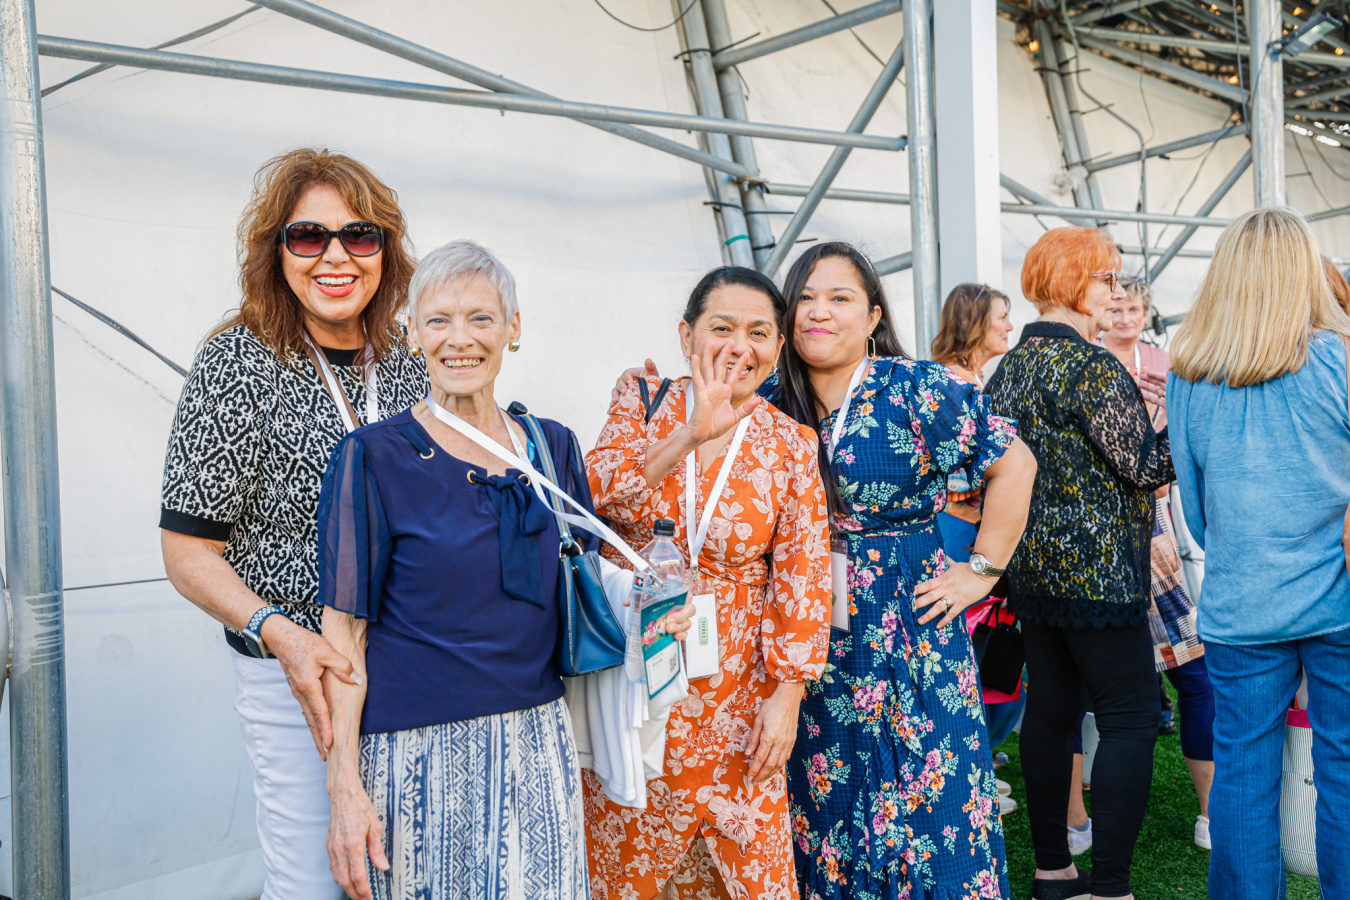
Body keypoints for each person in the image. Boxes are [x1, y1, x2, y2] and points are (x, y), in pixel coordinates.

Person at [314, 240, 693, 900]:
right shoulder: (372, 456)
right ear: (412, 332)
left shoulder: (553, 446)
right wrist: (344, 786)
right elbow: (343, 634)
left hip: (537, 742)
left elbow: (583, 586)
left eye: (480, 318)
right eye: (439, 320)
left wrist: (651, 610)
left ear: (513, 327)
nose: (459, 339)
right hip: (412, 757)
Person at [159, 148, 427, 899]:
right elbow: (187, 549)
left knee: (401, 873)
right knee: (314, 879)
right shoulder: (238, 364)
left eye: (359, 235)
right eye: (309, 236)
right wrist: (282, 635)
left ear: (386, 252)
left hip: (407, 664)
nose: (336, 256)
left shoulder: (410, 360)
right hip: (297, 674)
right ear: (276, 252)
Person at [769, 243, 1036, 900]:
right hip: (809, 637)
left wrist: (981, 571)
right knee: (825, 802)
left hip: (912, 627)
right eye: (805, 298)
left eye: (839, 298)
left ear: (872, 317)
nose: (819, 312)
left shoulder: (916, 388)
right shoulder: (771, 398)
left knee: (931, 800)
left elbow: (1015, 463)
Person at [585, 266, 832, 900]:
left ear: (778, 347)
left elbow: (803, 574)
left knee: (748, 875)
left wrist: (788, 695)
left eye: (759, 333)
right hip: (638, 681)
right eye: (721, 328)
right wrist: (691, 433)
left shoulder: (791, 444)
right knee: (628, 865)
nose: (739, 347)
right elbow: (598, 494)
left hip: (738, 698)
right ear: (686, 335)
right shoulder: (643, 401)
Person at [985, 226, 1173, 900]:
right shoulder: (1091, 368)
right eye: (1106, 278)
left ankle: (1054, 872)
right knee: (1130, 717)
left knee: (1051, 713)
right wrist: (1180, 419)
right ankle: (1112, 887)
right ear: (1072, 282)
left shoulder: (1009, 368)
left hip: (1032, 574)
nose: (1114, 292)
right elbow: (1145, 468)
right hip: (1099, 576)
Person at [1168, 207, 1350, 900]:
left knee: (1242, 776)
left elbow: (1195, 508)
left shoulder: (1190, 371)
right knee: (1344, 768)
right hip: (1339, 598)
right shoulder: (1340, 357)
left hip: (1240, 599)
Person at [1103, 277, 1214, 850]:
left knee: (1186, 676)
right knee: (1147, 686)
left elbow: (1173, 458)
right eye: (1115, 307)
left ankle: (1209, 812)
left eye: (1132, 308)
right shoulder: (1091, 364)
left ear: (1145, 313)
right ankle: (1083, 823)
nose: (1123, 317)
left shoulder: (1163, 363)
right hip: (1122, 532)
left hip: (1156, 529)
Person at [930, 282, 1024, 814]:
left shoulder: (970, 379)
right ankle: (966, 781)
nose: (1009, 326)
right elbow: (957, 473)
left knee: (984, 659)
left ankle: (977, 768)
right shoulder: (951, 383)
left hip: (967, 531)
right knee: (963, 657)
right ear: (975, 322)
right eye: (1001, 316)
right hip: (956, 533)